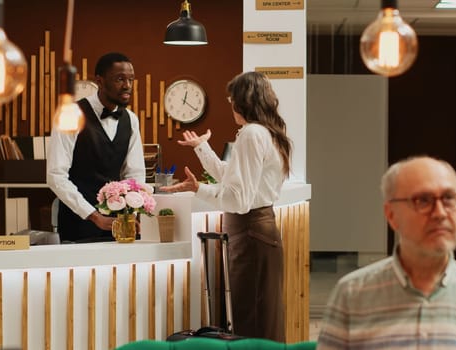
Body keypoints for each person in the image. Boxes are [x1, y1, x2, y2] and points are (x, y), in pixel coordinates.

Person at [316, 156, 456, 350]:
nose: (440, 213)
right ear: (391, 215)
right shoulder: (352, 294)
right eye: (423, 200)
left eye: (449, 198)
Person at [161, 71, 292, 341]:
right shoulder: (268, 132)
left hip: (250, 231)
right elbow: (233, 176)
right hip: (260, 231)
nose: (230, 104)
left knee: (252, 319)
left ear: (242, 101)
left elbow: (238, 199)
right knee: (262, 317)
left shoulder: (251, 134)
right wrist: (202, 148)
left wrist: (198, 188)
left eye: (231, 99)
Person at [47, 52, 145, 243]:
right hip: (78, 223)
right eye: (119, 79)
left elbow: (135, 174)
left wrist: (132, 211)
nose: (127, 86)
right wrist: (93, 215)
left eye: (130, 79)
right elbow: (55, 176)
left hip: (119, 225)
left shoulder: (131, 119)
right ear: (99, 81)